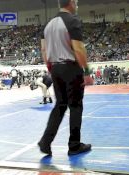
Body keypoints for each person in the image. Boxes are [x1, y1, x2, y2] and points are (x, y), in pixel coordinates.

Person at [38, 0, 91, 156]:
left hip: (55, 68)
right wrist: (87, 72)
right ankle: (74, 145)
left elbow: (44, 50)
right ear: (72, 3)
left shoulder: (48, 24)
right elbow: (78, 49)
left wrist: (51, 69)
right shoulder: (72, 21)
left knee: (60, 106)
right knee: (75, 106)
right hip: (71, 67)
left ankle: (45, 142)